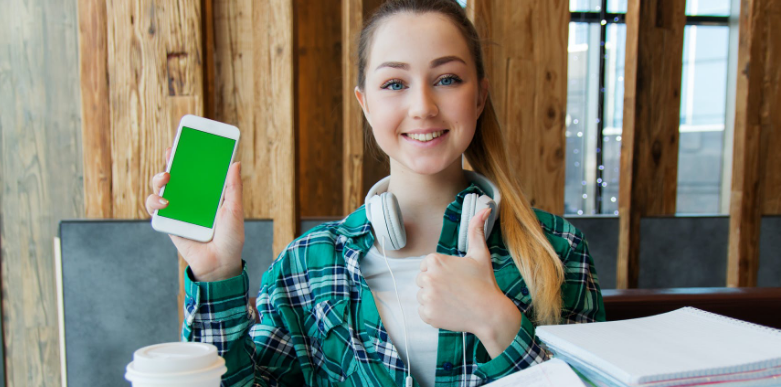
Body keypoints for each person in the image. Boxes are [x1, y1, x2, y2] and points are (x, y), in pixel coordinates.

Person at [146, 0, 604, 386]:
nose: (423, 106)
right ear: (365, 103)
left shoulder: (557, 250)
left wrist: (496, 322)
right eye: (394, 84)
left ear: (479, 97)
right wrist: (216, 273)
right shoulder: (310, 265)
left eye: (447, 79)